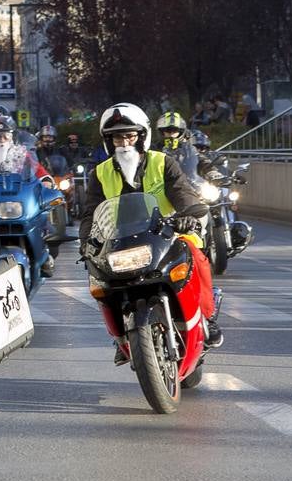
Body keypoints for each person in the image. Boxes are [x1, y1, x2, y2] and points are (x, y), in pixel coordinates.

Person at [79, 103, 222, 356]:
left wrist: (190, 214)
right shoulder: (99, 174)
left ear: (142, 136)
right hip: (121, 240)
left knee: (196, 254)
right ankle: (121, 335)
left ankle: (207, 318)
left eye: (129, 135)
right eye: (116, 137)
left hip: (167, 233)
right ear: (108, 141)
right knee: (98, 275)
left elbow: (183, 193)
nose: (123, 142)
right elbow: (91, 212)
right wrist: (87, 242)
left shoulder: (162, 162)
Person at [155, 111, 200, 184]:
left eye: (175, 130)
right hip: (160, 185)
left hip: (187, 184)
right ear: (162, 131)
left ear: (181, 131)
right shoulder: (154, 149)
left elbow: (201, 159)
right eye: (168, 130)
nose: (172, 133)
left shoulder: (189, 148)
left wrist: (212, 171)